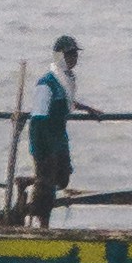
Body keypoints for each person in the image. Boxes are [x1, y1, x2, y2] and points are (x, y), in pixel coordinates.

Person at [19, 36, 82, 218]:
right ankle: (41, 223)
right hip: (45, 138)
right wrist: (43, 148)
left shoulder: (67, 80)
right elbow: (38, 118)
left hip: (59, 137)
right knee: (46, 185)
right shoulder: (46, 83)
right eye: (69, 54)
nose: (73, 58)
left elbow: (67, 102)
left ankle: (31, 181)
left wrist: (87, 109)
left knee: (63, 177)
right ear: (59, 56)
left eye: (75, 54)